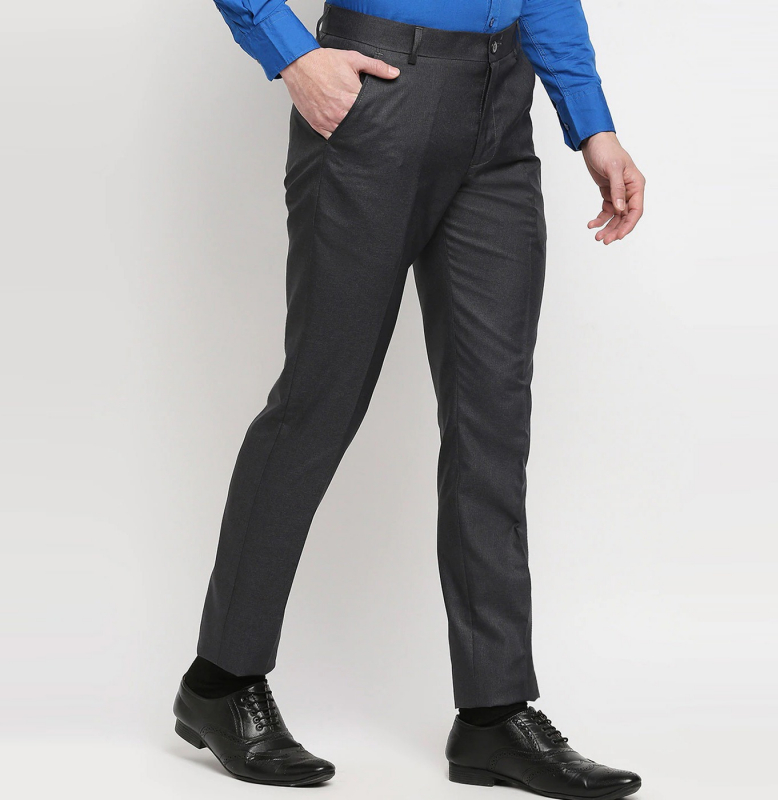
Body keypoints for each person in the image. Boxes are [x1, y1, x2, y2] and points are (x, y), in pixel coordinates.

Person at [173, 1, 646, 795]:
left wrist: (591, 121)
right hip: (379, 93)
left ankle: (494, 713)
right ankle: (221, 682)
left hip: (501, 110)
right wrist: (292, 54)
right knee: (318, 404)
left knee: (495, 417)